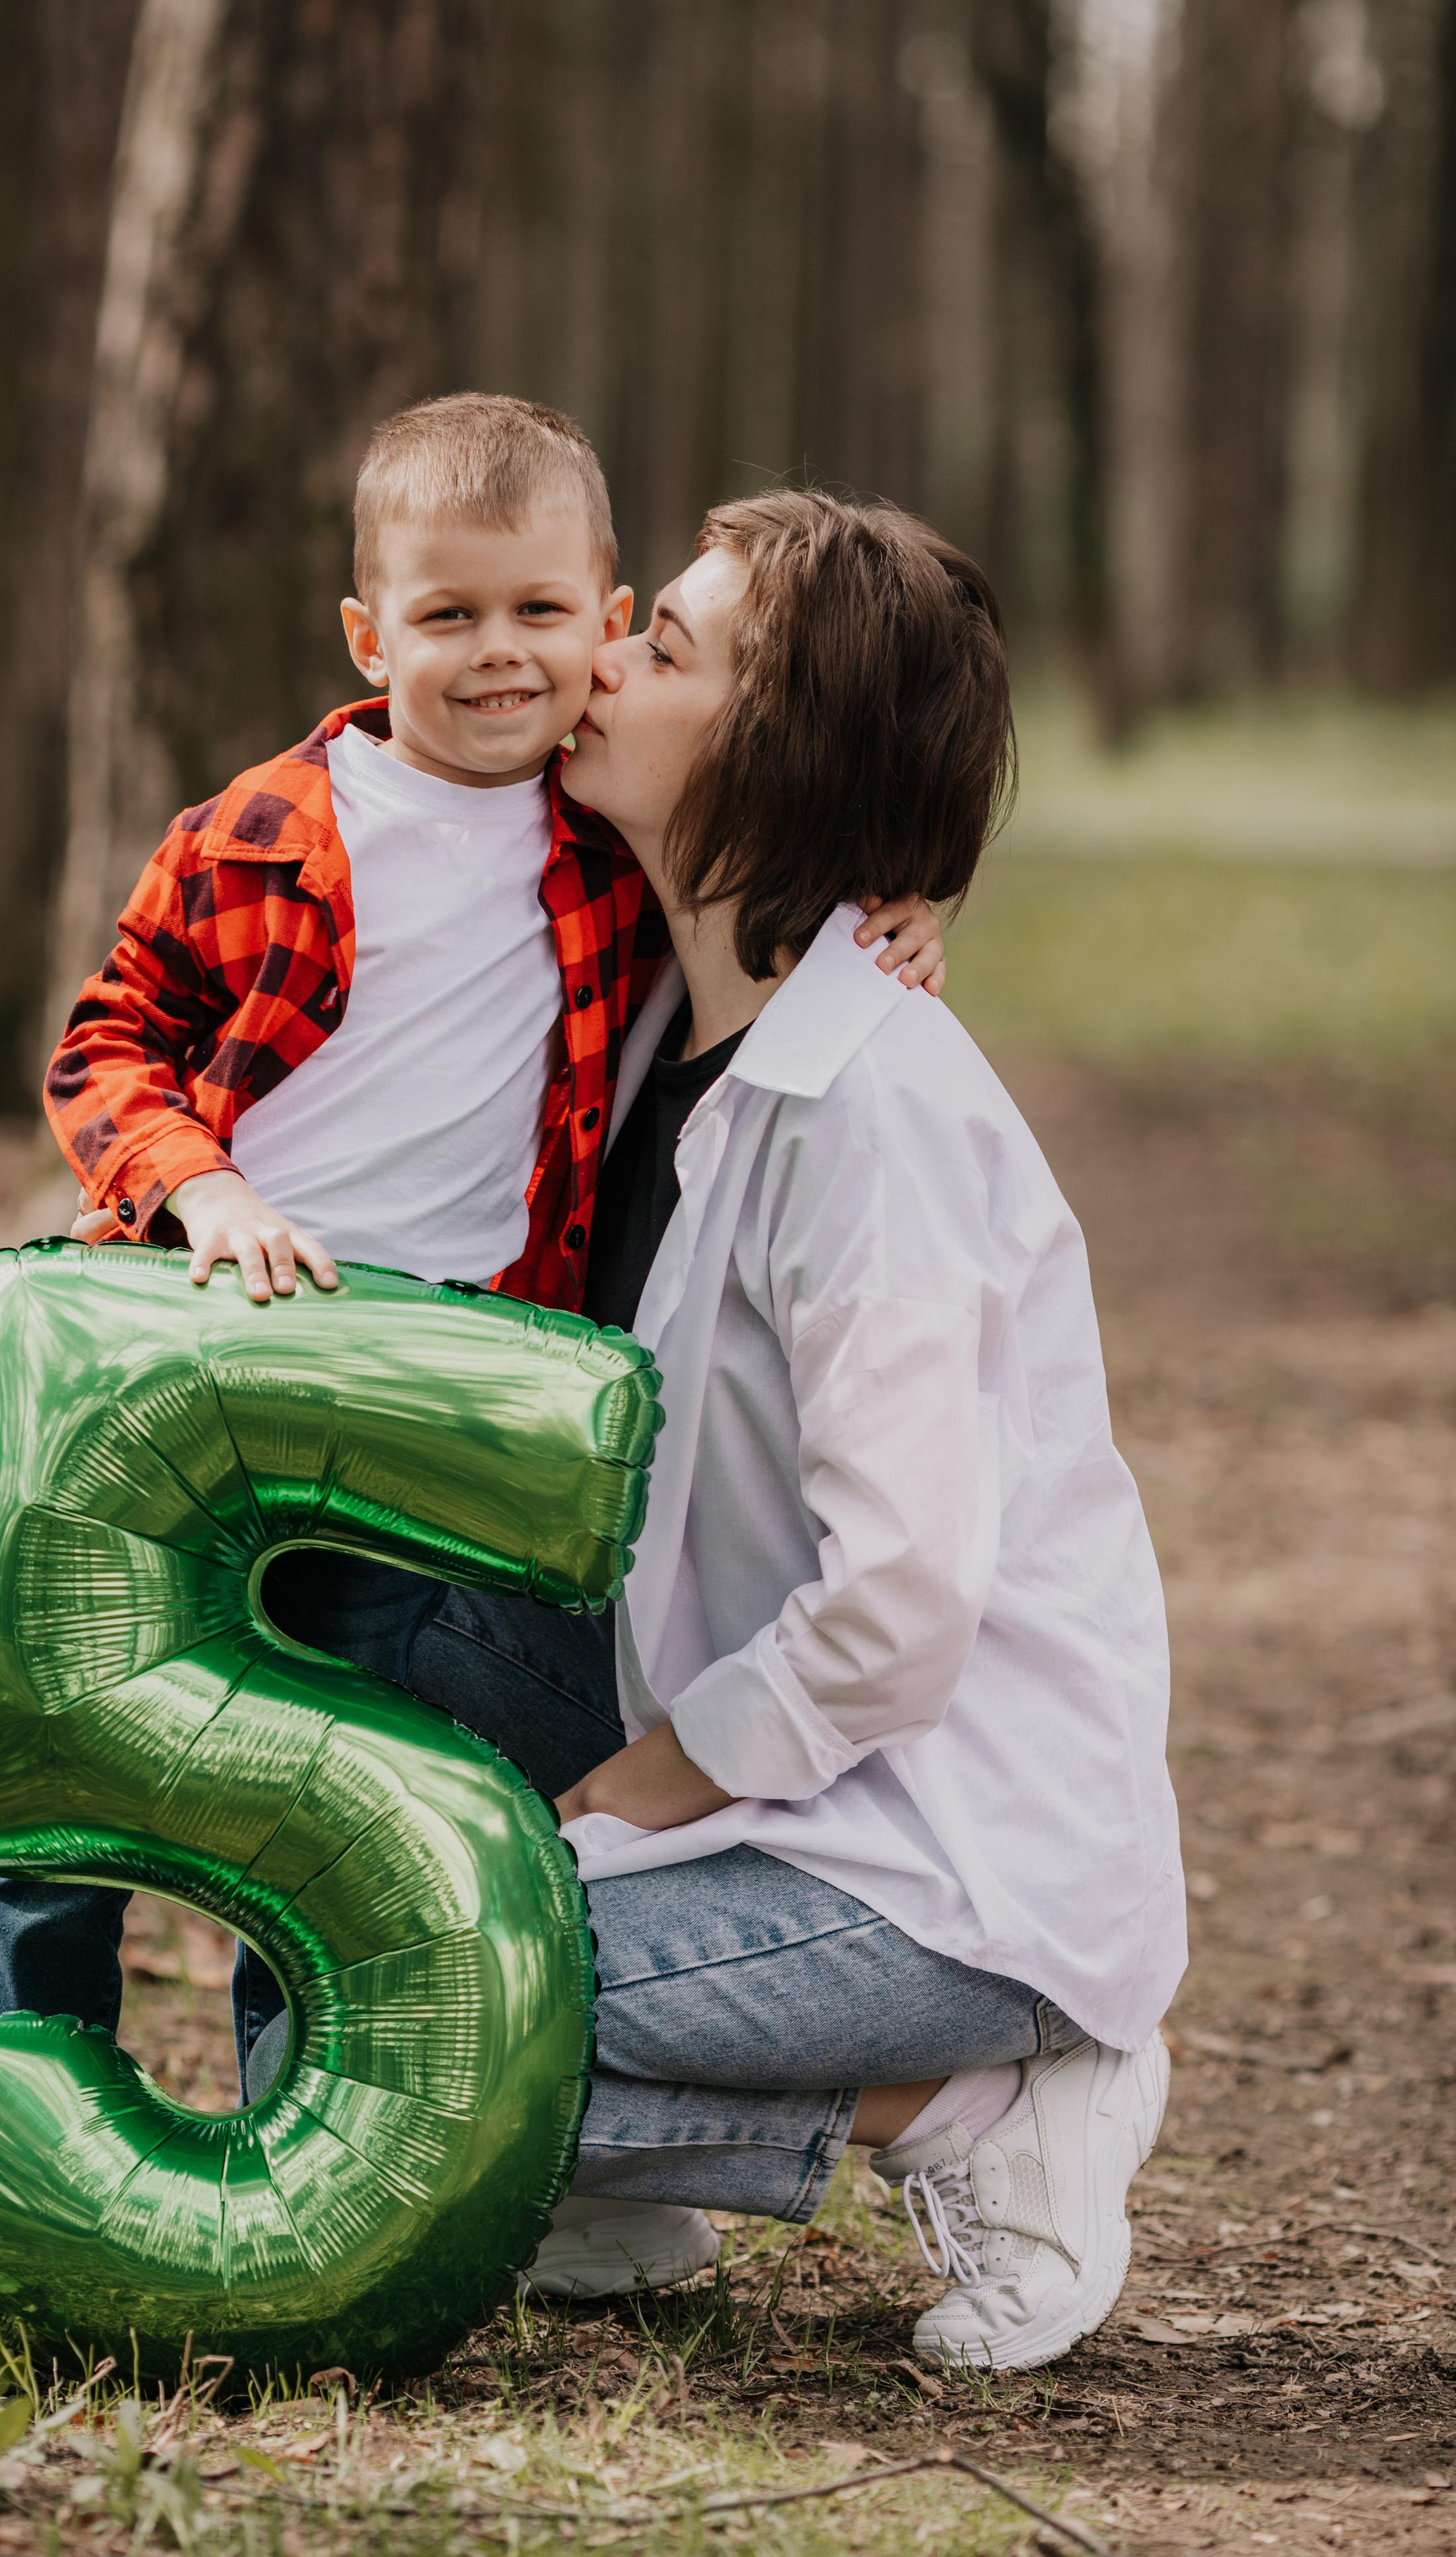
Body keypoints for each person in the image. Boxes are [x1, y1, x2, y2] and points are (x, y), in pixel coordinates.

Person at [0, 403, 940, 2370]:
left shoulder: (606, 843)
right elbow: (107, 1044)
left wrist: (903, 900)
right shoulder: (266, 835)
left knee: (390, 1768)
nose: (500, 655)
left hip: (421, 1425)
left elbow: (776, 869)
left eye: (544, 610)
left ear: (611, 626)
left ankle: (466, 2160)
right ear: (368, 637)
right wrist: (189, 1182)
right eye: (445, 615)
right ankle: (4, 2186)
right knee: (71, 1813)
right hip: (193, 1381)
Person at [240, 490, 1185, 2372]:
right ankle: (622, 2175)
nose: (596, 659)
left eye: (663, 648)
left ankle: (977, 2110)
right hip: (753, 1733)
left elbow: (908, 1601)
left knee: (368, 2049)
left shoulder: (872, 1117)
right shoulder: (661, 1007)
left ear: (773, 750)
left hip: (940, 1848)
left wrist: (633, 1797)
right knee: (315, 1930)